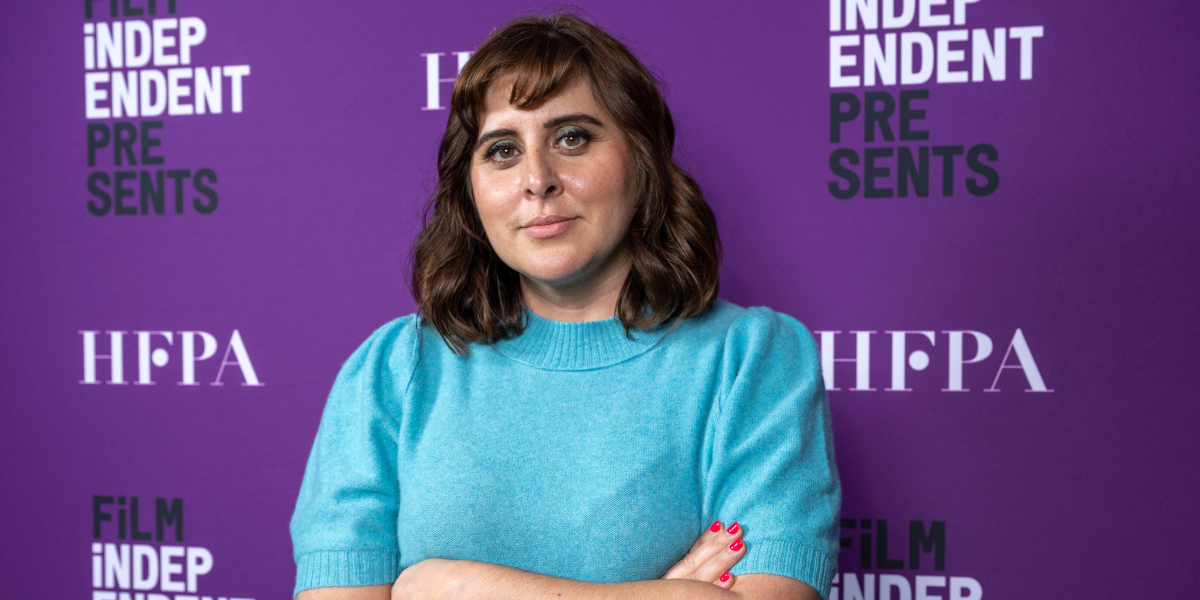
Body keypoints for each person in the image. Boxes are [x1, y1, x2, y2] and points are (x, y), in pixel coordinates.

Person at [290, 12, 840, 600]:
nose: (537, 179)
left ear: (643, 158)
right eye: (502, 150)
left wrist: (442, 585)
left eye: (572, 137)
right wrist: (666, 594)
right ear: (470, 192)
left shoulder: (754, 360)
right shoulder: (393, 371)